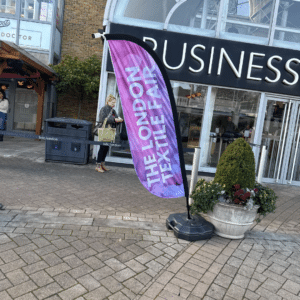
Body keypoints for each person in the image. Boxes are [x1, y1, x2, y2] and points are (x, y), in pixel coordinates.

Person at [96, 94, 123, 173]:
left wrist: (119, 120)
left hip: (110, 130)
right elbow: (102, 119)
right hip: (105, 130)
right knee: (102, 148)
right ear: (108, 101)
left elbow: (116, 118)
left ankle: (102, 164)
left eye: (115, 102)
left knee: (106, 148)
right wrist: (115, 120)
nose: (114, 104)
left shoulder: (113, 110)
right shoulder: (104, 109)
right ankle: (98, 165)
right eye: (112, 102)